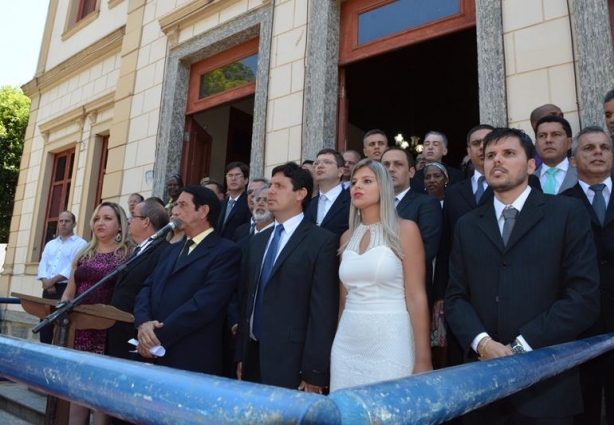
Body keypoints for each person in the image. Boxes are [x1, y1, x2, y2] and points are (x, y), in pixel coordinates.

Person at [445, 127, 600, 424]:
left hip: (547, 383)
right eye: (490, 155)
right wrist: (483, 343)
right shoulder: (466, 225)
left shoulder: (567, 213)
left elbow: (583, 297)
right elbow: (456, 297)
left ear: (531, 165)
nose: (496, 161)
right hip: (483, 385)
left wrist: (520, 347)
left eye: (508, 153)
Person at [235, 162, 339, 392]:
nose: (270, 191)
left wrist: (315, 371)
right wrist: (241, 355)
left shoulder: (321, 242)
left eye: (279, 186)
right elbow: (248, 300)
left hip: (292, 363)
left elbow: (323, 311)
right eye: (271, 185)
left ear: (300, 194)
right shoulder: (258, 241)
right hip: (252, 357)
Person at [330, 159, 431, 391]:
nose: (357, 187)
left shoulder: (405, 230)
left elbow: (416, 297)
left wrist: (423, 358)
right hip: (347, 342)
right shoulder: (346, 237)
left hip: (391, 340)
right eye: (354, 182)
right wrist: (337, 338)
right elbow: (343, 301)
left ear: (383, 187)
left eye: (367, 181)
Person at [134, 186, 241, 375]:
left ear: (203, 211)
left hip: (192, 357)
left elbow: (203, 305)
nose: (174, 211)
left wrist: (155, 337)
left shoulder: (225, 252)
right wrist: (143, 324)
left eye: (182, 205)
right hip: (153, 354)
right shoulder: (170, 250)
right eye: (175, 205)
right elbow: (147, 288)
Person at [561, 126, 614, 425]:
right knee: (584, 410)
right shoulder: (560, 206)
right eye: (589, 148)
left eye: (604, 148)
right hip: (580, 326)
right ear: (572, 159)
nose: (597, 153)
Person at [61, 202, 131, 425]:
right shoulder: (84, 253)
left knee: (101, 396)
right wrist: (62, 313)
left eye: (108, 218)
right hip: (78, 329)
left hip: (107, 332)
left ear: (120, 225)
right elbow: (69, 292)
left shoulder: (128, 253)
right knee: (77, 394)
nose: (100, 223)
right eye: (97, 218)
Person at [106, 200, 169, 362]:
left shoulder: (163, 251)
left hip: (135, 335)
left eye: (133, 216)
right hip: (118, 331)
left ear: (146, 221)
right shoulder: (140, 249)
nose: (128, 221)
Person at [380, 146, 442, 306]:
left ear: (412, 172)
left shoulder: (427, 204)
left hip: (409, 294)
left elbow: (426, 250)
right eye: (385, 165)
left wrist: (383, 271)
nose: (391, 169)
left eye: (398, 164)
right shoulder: (371, 204)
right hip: (373, 293)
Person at [37, 211, 87, 344]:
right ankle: (43, 352)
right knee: (45, 324)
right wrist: (46, 281)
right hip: (48, 289)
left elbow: (73, 266)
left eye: (67, 221)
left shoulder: (81, 244)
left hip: (66, 289)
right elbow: (43, 264)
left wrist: (52, 281)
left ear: (74, 223)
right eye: (61, 221)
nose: (63, 224)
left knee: (62, 326)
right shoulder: (50, 244)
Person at [305, 148, 351, 237]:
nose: (320, 166)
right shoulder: (308, 204)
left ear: (340, 171)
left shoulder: (352, 201)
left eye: (327, 162)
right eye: (316, 163)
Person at [533, 115, 577, 194]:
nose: (548, 140)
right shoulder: (528, 180)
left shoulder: (582, 175)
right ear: (536, 144)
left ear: (569, 143)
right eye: (542, 136)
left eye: (556, 135)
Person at [217, 162, 251, 240]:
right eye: (230, 175)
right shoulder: (221, 204)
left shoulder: (249, 202)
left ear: (246, 180)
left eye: (237, 175)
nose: (233, 179)